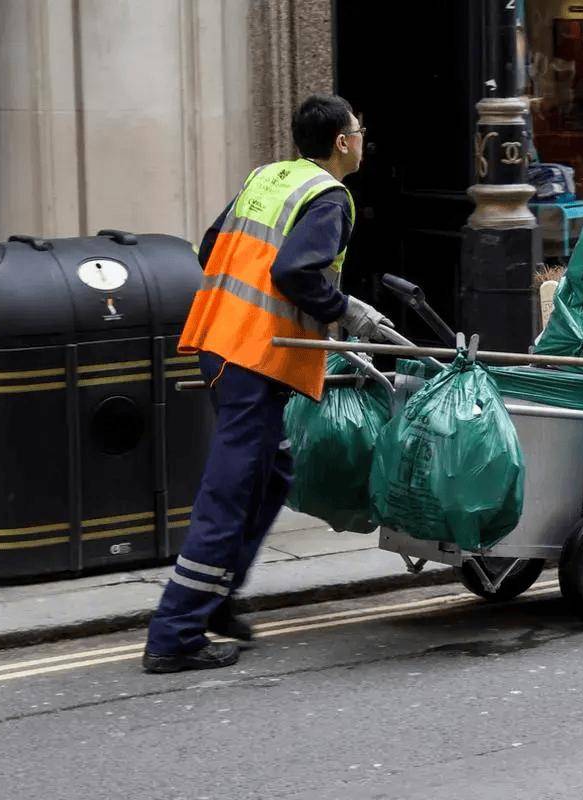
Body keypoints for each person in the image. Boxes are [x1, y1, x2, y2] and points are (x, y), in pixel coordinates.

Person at [143, 94, 393, 673]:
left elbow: (211, 246)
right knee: (230, 491)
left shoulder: (269, 176)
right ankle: (176, 633)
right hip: (253, 357)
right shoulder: (330, 197)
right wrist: (346, 310)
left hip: (222, 344)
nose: (361, 139)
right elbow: (293, 271)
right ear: (341, 142)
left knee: (271, 472)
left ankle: (217, 599)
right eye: (358, 130)